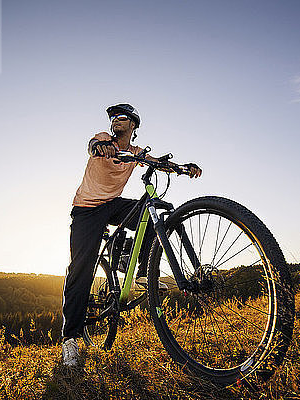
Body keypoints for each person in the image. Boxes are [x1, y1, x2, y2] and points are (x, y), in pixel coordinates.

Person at [61, 103, 202, 367]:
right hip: (87, 209)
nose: (115, 120)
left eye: (122, 117)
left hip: (112, 203)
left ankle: (142, 273)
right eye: (113, 117)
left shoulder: (135, 152)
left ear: (133, 125)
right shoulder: (105, 141)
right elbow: (92, 143)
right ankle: (70, 339)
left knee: (150, 212)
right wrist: (98, 148)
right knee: (81, 268)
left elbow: (159, 162)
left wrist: (182, 167)